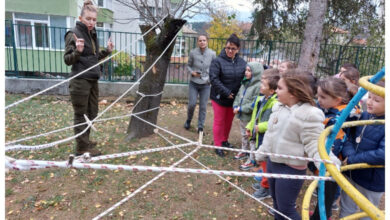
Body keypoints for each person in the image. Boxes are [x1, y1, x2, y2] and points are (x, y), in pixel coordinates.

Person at [254, 70, 340, 220]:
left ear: (293, 92)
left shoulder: (309, 115)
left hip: (290, 170)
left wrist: (327, 162)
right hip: (273, 164)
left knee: (286, 209)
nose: (276, 91)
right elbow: (270, 135)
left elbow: (315, 144)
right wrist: (260, 153)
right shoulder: (278, 108)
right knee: (277, 206)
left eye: (280, 88)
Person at [64, 0, 113, 156]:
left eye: (94, 19)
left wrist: (107, 51)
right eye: (88, 19)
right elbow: (67, 60)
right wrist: (77, 51)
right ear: (81, 18)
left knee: (92, 113)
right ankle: (82, 148)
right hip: (80, 81)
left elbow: (93, 58)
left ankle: (85, 140)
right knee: (81, 115)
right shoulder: (73, 34)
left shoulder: (92, 34)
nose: (91, 22)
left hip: (92, 80)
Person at [310, 78, 358, 219]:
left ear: (338, 100)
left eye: (323, 97)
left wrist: (322, 161)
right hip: (325, 159)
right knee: (323, 191)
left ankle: (322, 216)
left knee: (326, 195)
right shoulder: (331, 110)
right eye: (318, 96)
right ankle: (320, 213)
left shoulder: (339, 118)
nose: (319, 100)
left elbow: (335, 143)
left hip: (332, 162)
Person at [339, 81, 385, 220]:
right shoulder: (363, 115)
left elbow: (383, 154)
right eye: (369, 97)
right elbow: (347, 136)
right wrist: (349, 154)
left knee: (367, 211)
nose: (370, 102)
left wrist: (353, 159)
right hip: (352, 173)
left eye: (376, 100)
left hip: (372, 181)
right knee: (347, 207)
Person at [209, 33, 247, 157]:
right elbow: (214, 79)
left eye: (233, 48)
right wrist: (226, 92)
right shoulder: (217, 61)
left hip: (233, 99)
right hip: (219, 97)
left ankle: (224, 140)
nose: (230, 50)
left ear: (238, 49)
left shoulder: (242, 62)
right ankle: (218, 145)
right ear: (225, 47)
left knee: (228, 121)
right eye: (228, 48)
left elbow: (245, 77)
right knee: (219, 121)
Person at [245, 69, 279, 199]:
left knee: (266, 164)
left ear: (271, 91)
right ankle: (265, 183)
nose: (260, 86)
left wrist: (261, 127)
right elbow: (255, 116)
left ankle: (266, 188)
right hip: (259, 135)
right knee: (263, 163)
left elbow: (274, 122)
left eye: (263, 85)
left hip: (267, 137)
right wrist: (250, 126)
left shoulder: (275, 103)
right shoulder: (261, 99)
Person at [232, 62, 264, 163]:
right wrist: (235, 105)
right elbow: (238, 96)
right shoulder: (244, 83)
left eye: (249, 71)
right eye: (246, 70)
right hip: (242, 116)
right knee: (243, 135)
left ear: (256, 72)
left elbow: (253, 104)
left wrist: (241, 108)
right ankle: (244, 150)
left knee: (251, 137)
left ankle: (252, 157)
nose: (246, 72)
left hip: (250, 118)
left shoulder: (258, 86)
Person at [184, 35, 216, 133]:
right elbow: (188, 66)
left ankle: (200, 126)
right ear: (198, 42)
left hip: (206, 84)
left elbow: (215, 68)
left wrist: (210, 80)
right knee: (192, 104)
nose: (202, 42)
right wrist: (192, 72)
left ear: (207, 41)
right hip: (194, 83)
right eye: (200, 40)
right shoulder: (193, 53)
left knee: (203, 106)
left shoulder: (212, 53)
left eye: (204, 40)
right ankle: (188, 120)